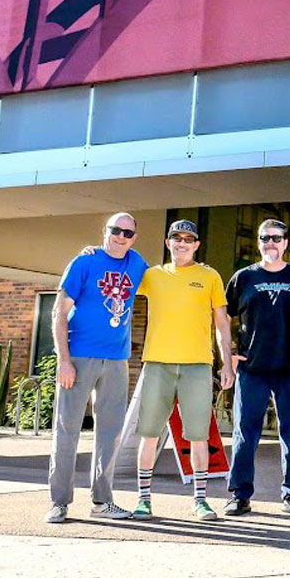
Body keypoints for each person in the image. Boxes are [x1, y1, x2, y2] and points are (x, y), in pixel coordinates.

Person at [45, 213, 148, 524]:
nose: (121, 236)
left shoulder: (137, 263)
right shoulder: (84, 262)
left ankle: (102, 501)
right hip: (78, 357)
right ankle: (59, 502)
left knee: (110, 433)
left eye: (127, 232)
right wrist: (63, 359)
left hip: (117, 359)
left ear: (134, 237)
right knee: (67, 430)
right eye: (115, 230)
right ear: (105, 231)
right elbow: (59, 312)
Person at [133, 220, 234, 522]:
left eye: (188, 239)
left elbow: (222, 324)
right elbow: (118, 276)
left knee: (198, 436)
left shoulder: (209, 276)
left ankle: (201, 501)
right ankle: (143, 499)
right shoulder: (153, 275)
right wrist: (94, 253)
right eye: (176, 238)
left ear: (197, 245)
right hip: (157, 364)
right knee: (149, 433)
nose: (182, 243)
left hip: (197, 366)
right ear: (168, 243)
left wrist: (226, 363)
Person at [223, 218, 290, 517]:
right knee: (245, 433)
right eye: (265, 238)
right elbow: (223, 317)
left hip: (289, 369)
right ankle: (239, 495)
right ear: (260, 242)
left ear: (286, 243)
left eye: (276, 238)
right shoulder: (243, 278)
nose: (270, 243)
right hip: (252, 370)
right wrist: (230, 355)